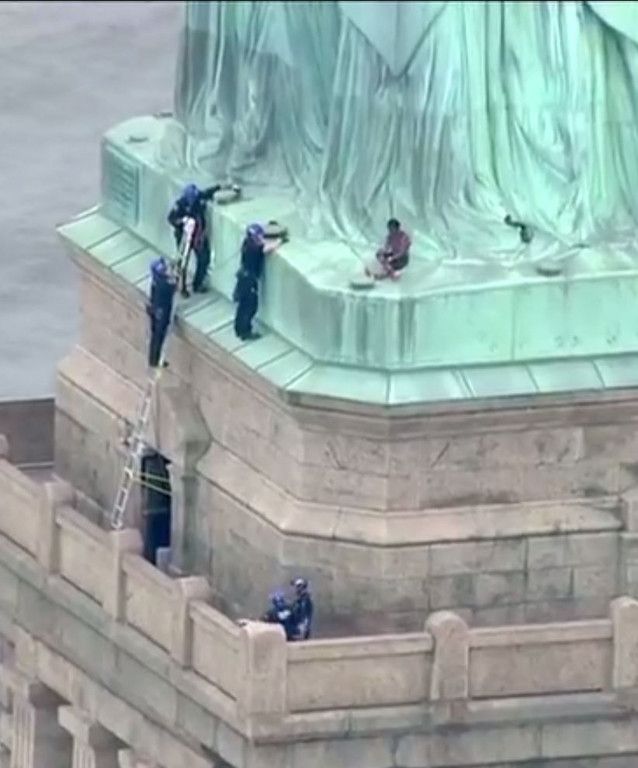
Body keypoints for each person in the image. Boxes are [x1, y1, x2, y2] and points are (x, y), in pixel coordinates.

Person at [167, 182, 224, 296]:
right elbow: (171, 219)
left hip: (198, 235)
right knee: (182, 262)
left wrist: (220, 187)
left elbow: (208, 192)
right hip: (184, 236)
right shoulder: (180, 205)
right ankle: (182, 287)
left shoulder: (198, 197)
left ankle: (197, 284)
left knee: (204, 258)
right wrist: (183, 221)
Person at [233, 223, 284, 341]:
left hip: (243, 278)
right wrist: (280, 241)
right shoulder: (254, 248)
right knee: (250, 306)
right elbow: (266, 249)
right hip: (249, 280)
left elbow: (262, 244)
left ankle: (239, 329)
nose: (261, 238)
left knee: (242, 306)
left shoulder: (247, 243)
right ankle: (245, 331)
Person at [146, 257, 177, 368]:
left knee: (155, 336)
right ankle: (155, 360)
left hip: (155, 311)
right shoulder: (162, 283)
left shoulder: (156, 281)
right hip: (161, 313)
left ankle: (153, 359)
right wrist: (176, 280)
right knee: (159, 337)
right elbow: (172, 288)